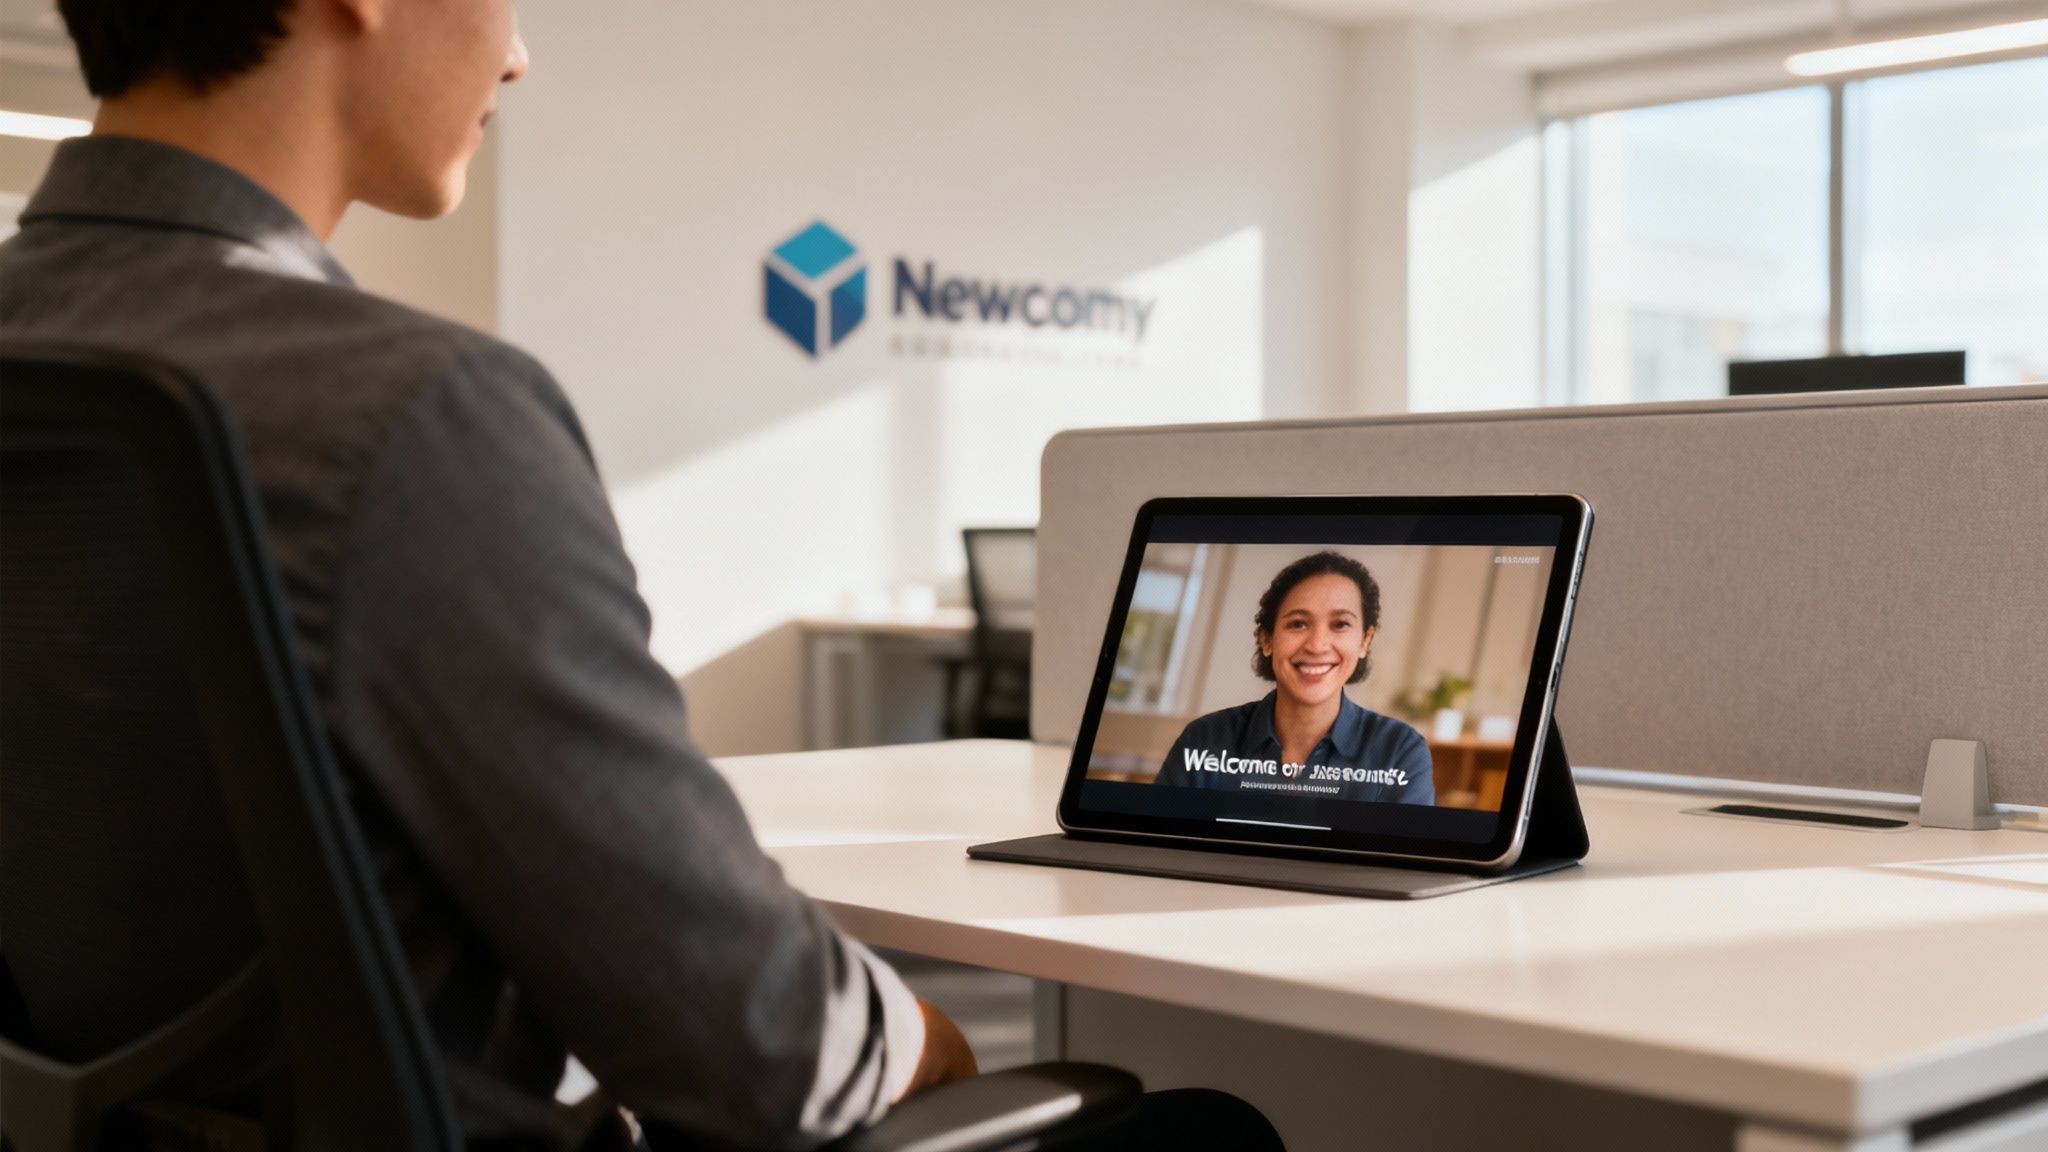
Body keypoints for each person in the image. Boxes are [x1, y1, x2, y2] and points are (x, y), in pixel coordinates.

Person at [0, 3, 1281, 1150]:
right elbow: (756, 1046)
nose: (515, 50)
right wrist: (923, 1040)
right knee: (1204, 1127)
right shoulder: (410, 415)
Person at [1157, 552, 1433, 805]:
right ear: (1266, 640)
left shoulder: (1401, 752)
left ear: (1364, 641)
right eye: (1298, 623)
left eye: (1340, 624)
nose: (1317, 645)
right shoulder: (1203, 740)